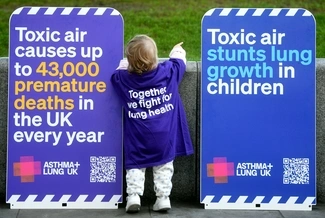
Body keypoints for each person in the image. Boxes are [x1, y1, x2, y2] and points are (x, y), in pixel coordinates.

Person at [111, 35, 193, 213]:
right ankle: (163, 198)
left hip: (137, 135)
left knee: (135, 164)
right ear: (155, 58)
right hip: (164, 136)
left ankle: (133, 196)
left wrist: (126, 65)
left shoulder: (124, 79)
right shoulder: (168, 73)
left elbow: (116, 76)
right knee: (164, 165)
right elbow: (180, 61)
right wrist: (177, 50)